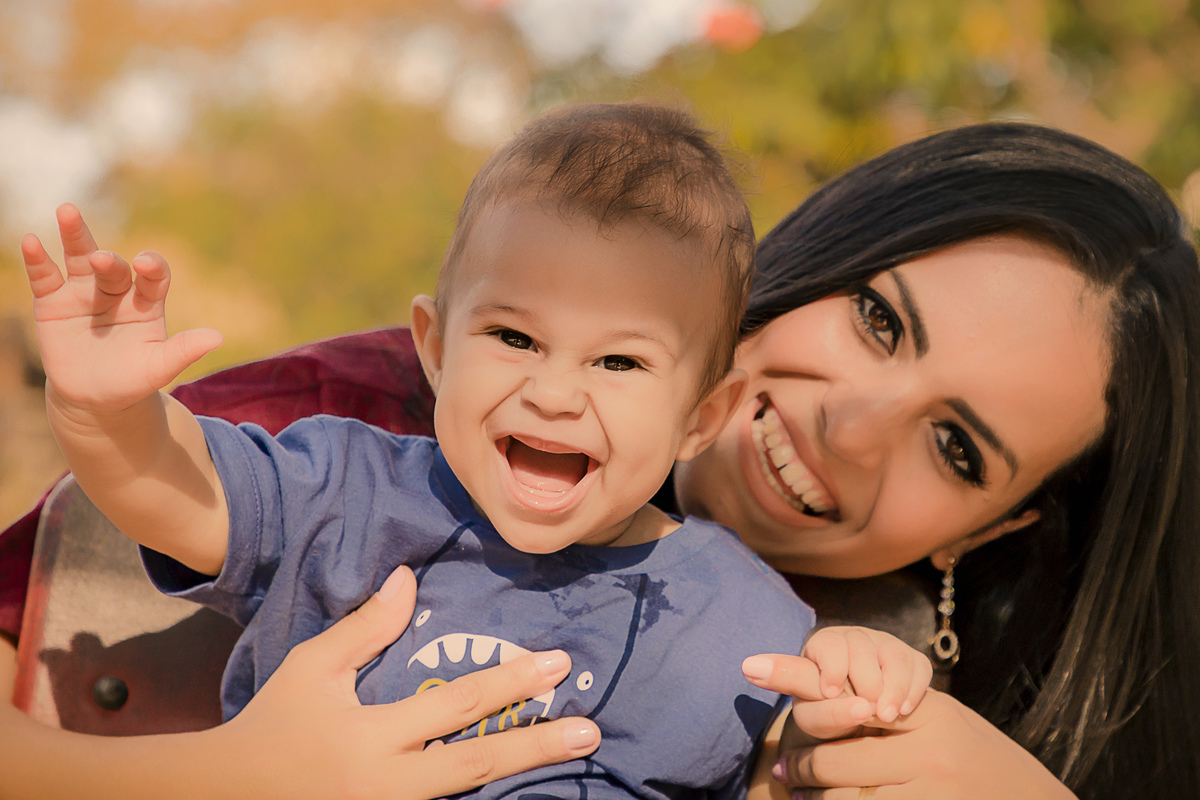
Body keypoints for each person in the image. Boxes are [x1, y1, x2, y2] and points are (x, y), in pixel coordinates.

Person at [4, 120, 1197, 798]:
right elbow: (184, 489)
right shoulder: (367, 449)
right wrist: (223, 781)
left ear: (991, 531)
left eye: (955, 443)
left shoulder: (743, 619)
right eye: (880, 320)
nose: (850, 424)